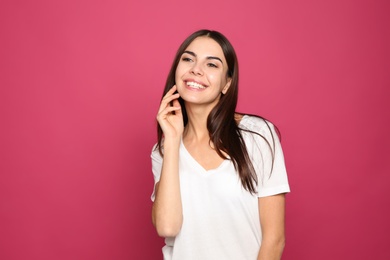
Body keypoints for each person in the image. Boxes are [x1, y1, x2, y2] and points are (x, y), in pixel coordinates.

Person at [150, 29, 290, 260]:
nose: (196, 69)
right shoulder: (163, 152)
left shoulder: (256, 134)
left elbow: (274, 240)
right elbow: (167, 227)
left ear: (227, 83)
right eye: (188, 59)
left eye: (212, 65)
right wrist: (173, 141)